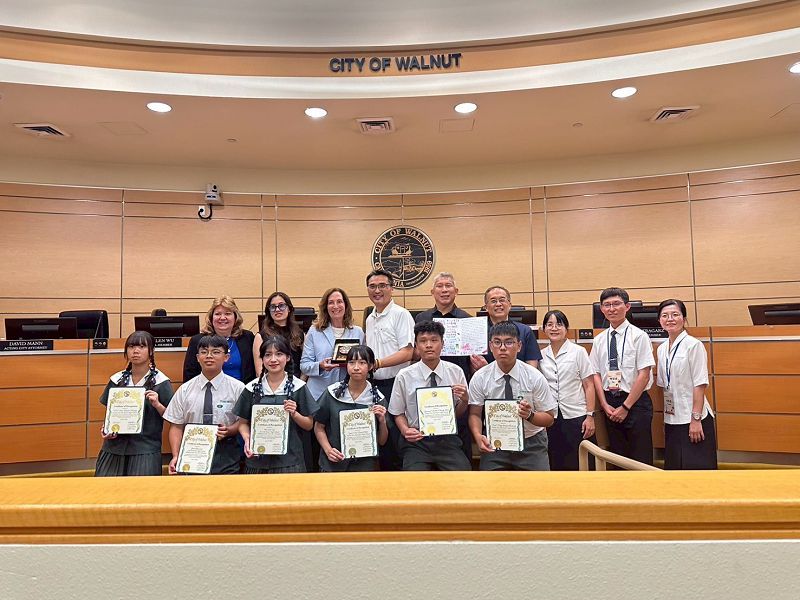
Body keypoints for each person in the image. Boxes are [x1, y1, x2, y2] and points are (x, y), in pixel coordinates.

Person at [469, 321, 556, 471]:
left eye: (509, 342)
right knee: (489, 485)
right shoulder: (480, 377)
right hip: (495, 443)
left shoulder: (534, 376)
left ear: (519, 346)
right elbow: (475, 414)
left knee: (540, 485)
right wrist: (477, 435)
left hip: (531, 443)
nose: (502, 348)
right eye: (497, 342)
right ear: (490, 346)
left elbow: (549, 418)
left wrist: (530, 415)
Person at [389, 321, 471, 471]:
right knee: (413, 480)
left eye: (434, 340)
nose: (428, 345)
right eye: (423, 341)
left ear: (442, 343)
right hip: (416, 442)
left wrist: (465, 401)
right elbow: (398, 412)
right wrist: (405, 430)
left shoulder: (456, 371)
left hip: (447, 439)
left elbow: (457, 413)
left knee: (463, 476)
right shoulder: (404, 375)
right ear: (416, 345)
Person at [590, 287, 656, 465]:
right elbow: (595, 373)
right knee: (617, 457)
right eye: (607, 305)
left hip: (635, 403)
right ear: (601, 309)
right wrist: (604, 404)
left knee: (640, 458)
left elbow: (644, 374)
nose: (611, 309)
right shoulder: (599, 340)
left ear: (627, 307)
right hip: (610, 403)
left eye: (616, 304)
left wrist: (626, 407)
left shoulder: (639, 336)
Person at [95, 331, 173, 477]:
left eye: (142, 347)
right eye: (131, 347)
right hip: (113, 448)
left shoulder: (161, 382)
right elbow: (109, 413)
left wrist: (157, 404)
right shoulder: (117, 379)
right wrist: (106, 428)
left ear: (151, 351)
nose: (135, 351)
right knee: (105, 488)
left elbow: (173, 417)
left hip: (145, 449)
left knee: (142, 490)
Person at [235, 336, 316, 474]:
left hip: (290, 462)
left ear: (288, 357)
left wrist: (294, 414)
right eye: (267, 355)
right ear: (262, 359)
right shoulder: (251, 388)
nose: (273, 359)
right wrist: (247, 440)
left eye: (279, 354)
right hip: (257, 461)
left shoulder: (299, 387)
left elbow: (309, 425)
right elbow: (242, 423)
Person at [165, 334, 245, 474]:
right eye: (204, 352)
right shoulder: (185, 390)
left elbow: (244, 421)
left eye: (215, 352)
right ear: (197, 357)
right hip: (192, 452)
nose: (209, 356)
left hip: (226, 452)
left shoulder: (238, 388)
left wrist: (230, 429)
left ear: (226, 357)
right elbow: (176, 426)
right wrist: (176, 455)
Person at [414, 272, 473, 461]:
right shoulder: (422, 318)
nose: (444, 290)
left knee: (460, 435)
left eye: (448, 286)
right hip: (426, 383)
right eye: (440, 286)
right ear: (432, 292)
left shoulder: (467, 319)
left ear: (456, 291)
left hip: (456, 383)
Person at [656, 299, 717, 470]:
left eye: (675, 314)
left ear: (684, 319)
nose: (670, 319)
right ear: (659, 320)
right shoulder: (661, 349)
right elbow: (664, 385)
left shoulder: (694, 345)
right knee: (675, 470)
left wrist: (695, 419)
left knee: (697, 471)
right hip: (672, 418)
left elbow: (700, 384)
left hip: (694, 419)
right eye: (665, 316)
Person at [364, 268, 415, 470]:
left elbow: (408, 352)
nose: (377, 290)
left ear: (392, 289)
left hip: (396, 384)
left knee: (397, 438)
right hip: (374, 386)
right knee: (381, 434)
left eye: (382, 286)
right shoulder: (369, 318)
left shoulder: (401, 314)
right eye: (372, 286)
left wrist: (376, 364)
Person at [313, 345, 388, 472]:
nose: (356, 367)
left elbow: (382, 441)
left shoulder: (378, 399)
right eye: (351, 362)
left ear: (370, 366)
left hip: (365, 467)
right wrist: (328, 450)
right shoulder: (332, 393)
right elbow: (318, 427)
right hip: (333, 465)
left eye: (362, 363)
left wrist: (382, 421)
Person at [539, 310, 597, 471]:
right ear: (544, 329)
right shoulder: (541, 355)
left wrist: (590, 416)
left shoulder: (578, 351)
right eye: (549, 324)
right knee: (556, 461)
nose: (554, 328)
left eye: (559, 324)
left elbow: (589, 385)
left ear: (566, 328)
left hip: (576, 415)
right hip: (551, 416)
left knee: (581, 462)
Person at [301, 287, 365, 401]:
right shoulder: (314, 331)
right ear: (325, 307)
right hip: (318, 395)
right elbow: (304, 366)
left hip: (347, 395)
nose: (335, 306)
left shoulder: (358, 332)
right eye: (331, 303)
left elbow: (364, 363)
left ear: (346, 305)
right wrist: (320, 366)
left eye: (339, 302)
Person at [183, 296, 256, 384]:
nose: (222, 318)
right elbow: (190, 375)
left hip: (243, 390)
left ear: (235, 317)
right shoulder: (198, 340)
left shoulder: (247, 337)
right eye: (218, 314)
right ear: (211, 317)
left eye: (227, 314)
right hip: (209, 390)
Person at [470, 285, 541, 374]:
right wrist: (484, 371)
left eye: (502, 300)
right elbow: (471, 367)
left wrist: (487, 369)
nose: (498, 304)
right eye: (493, 301)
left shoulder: (525, 331)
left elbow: (532, 368)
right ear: (486, 307)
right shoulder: (477, 332)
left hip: (520, 381)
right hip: (485, 380)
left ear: (510, 305)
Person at [254, 292, 304, 378]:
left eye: (281, 305)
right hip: (270, 384)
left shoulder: (300, 334)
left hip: (297, 382)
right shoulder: (260, 337)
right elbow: (259, 371)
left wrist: (300, 383)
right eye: (273, 307)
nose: (277, 310)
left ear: (289, 309)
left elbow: (306, 364)